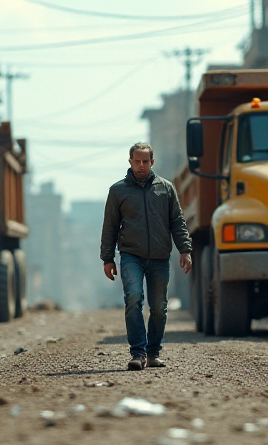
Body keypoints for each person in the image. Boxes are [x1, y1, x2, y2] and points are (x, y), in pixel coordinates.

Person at [101, 142, 192, 371]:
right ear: (130, 162)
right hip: (131, 255)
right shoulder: (118, 190)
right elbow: (110, 227)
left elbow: (177, 222)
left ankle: (153, 353)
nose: (141, 166)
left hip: (160, 257)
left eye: (145, 161)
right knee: (133, 299)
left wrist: (185, 250)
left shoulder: (166, 188)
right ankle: (138, 353)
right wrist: (108, 258)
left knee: (159, 307)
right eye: (136, 161)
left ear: (152, 162)